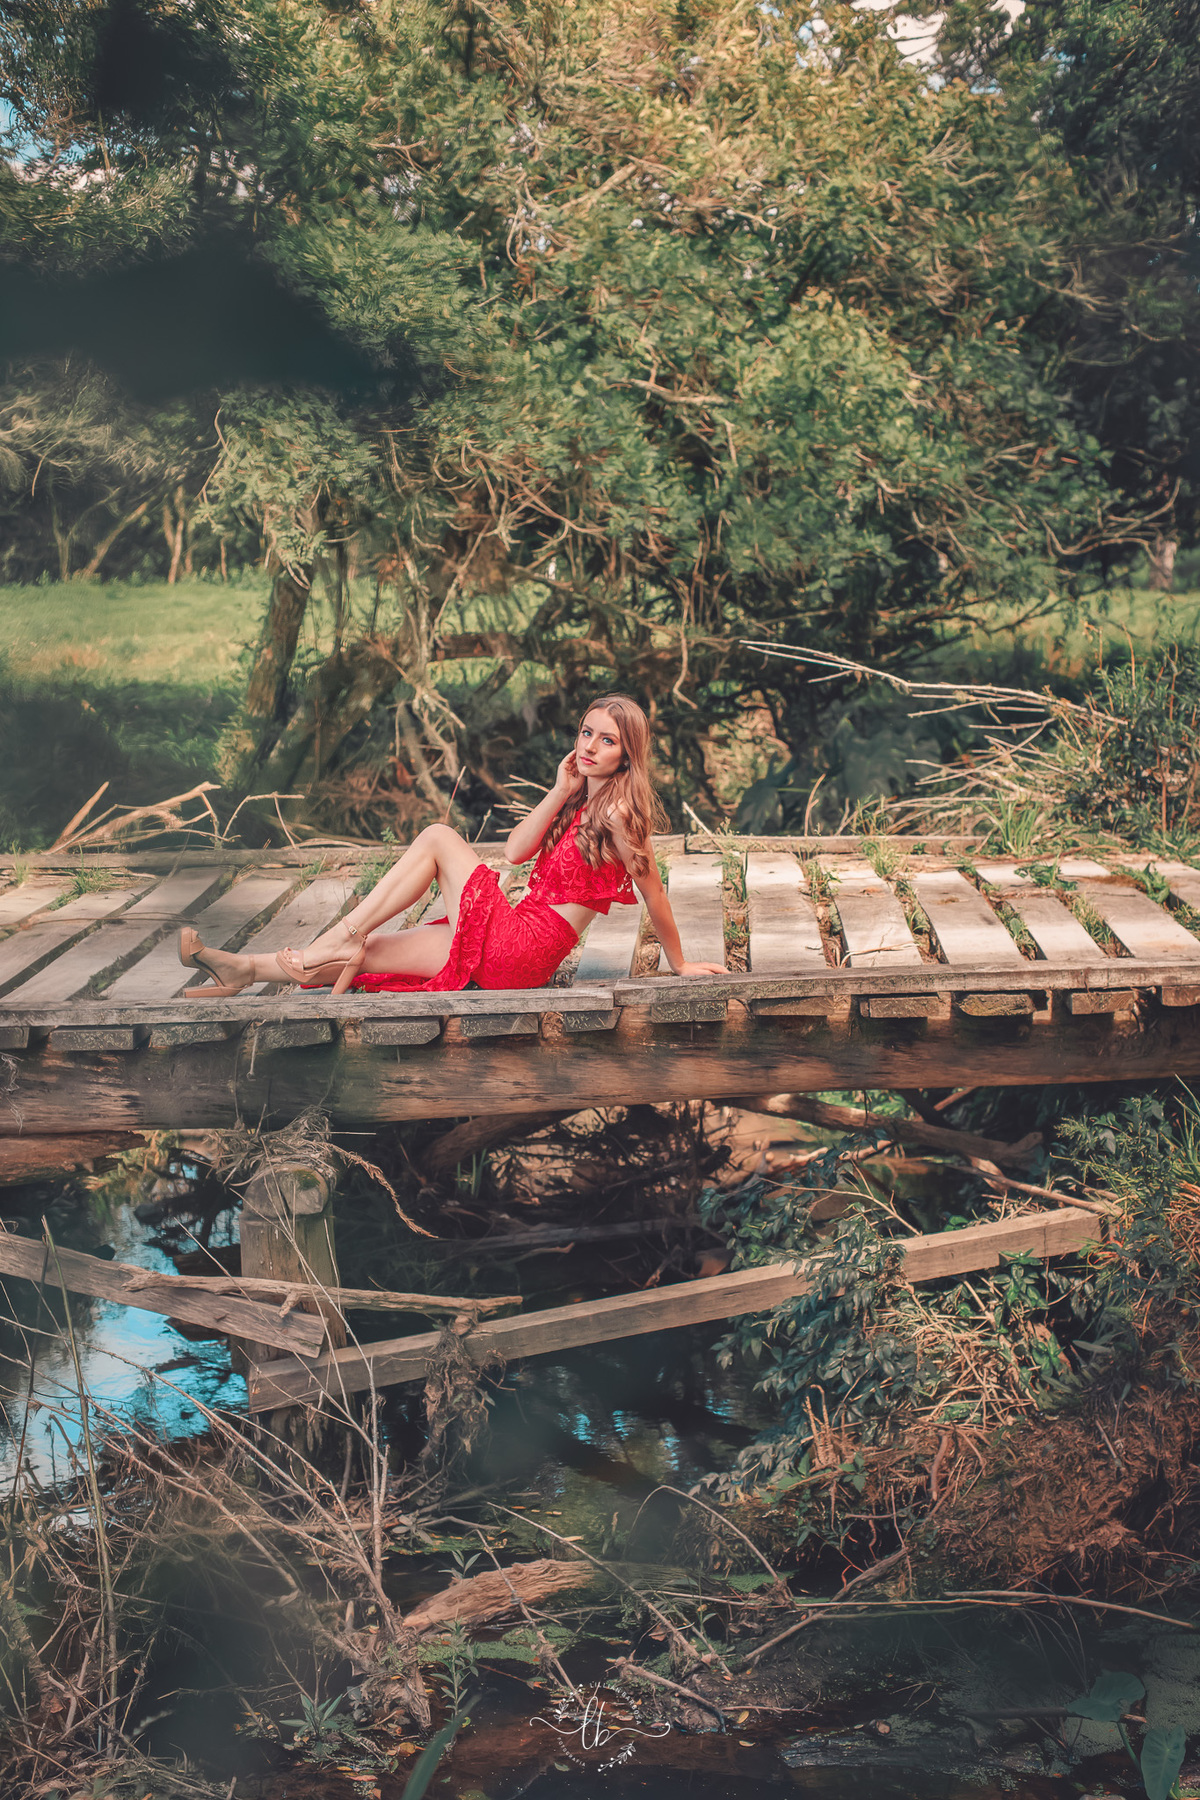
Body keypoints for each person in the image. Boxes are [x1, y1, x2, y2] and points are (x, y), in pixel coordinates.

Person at [178, 694, 727, 998]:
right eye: (586, 732)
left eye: (606, 740)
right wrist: (560, 790)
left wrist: (679, 965)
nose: (589, 746)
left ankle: (343, 933)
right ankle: (244, 970)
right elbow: (515, 851)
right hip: (512, 950)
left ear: (625, 755)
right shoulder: (579, 800)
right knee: (370, 958)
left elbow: (655, 893)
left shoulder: (622, 815)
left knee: (439, 836)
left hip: (524, 948)